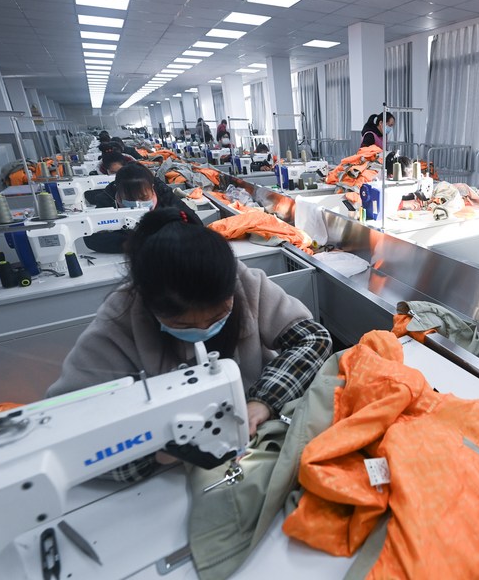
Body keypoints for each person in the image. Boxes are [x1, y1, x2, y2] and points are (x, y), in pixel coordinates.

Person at [48, 207, 332, 481]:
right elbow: (64, 432)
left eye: (218, 317)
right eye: (184, 325)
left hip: (253, 439)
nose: (204, 330)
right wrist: (155, 452)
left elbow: (313, 339)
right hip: (167, 476)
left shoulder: (244, 283)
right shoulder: (118, 321)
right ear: (148, 304)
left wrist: (263, 401)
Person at [83, 162, 201, 252]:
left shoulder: (164, 194)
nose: (137, 203)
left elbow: (196, 224)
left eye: (144, 197)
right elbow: (91, 238)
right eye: (130, 199)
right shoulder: (107, 200)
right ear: (118, 193)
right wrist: (137, 242)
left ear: (152, 189)